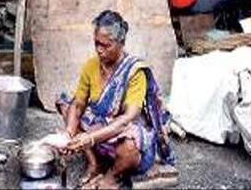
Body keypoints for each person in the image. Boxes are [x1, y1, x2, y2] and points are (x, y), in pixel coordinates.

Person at [56, 10, 175, 189]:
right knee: (67, 108)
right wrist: (69, 135)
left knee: (130, 147)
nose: (99, 50)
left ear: (121, 43)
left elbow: (127, 119)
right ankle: (94, 164)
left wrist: (89, 138)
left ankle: (112, 176)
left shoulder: (135, 72)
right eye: (96, 43)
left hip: (120, 131)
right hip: (100, 128)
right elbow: (79, 104)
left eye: (106, 45)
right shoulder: (91, 66)